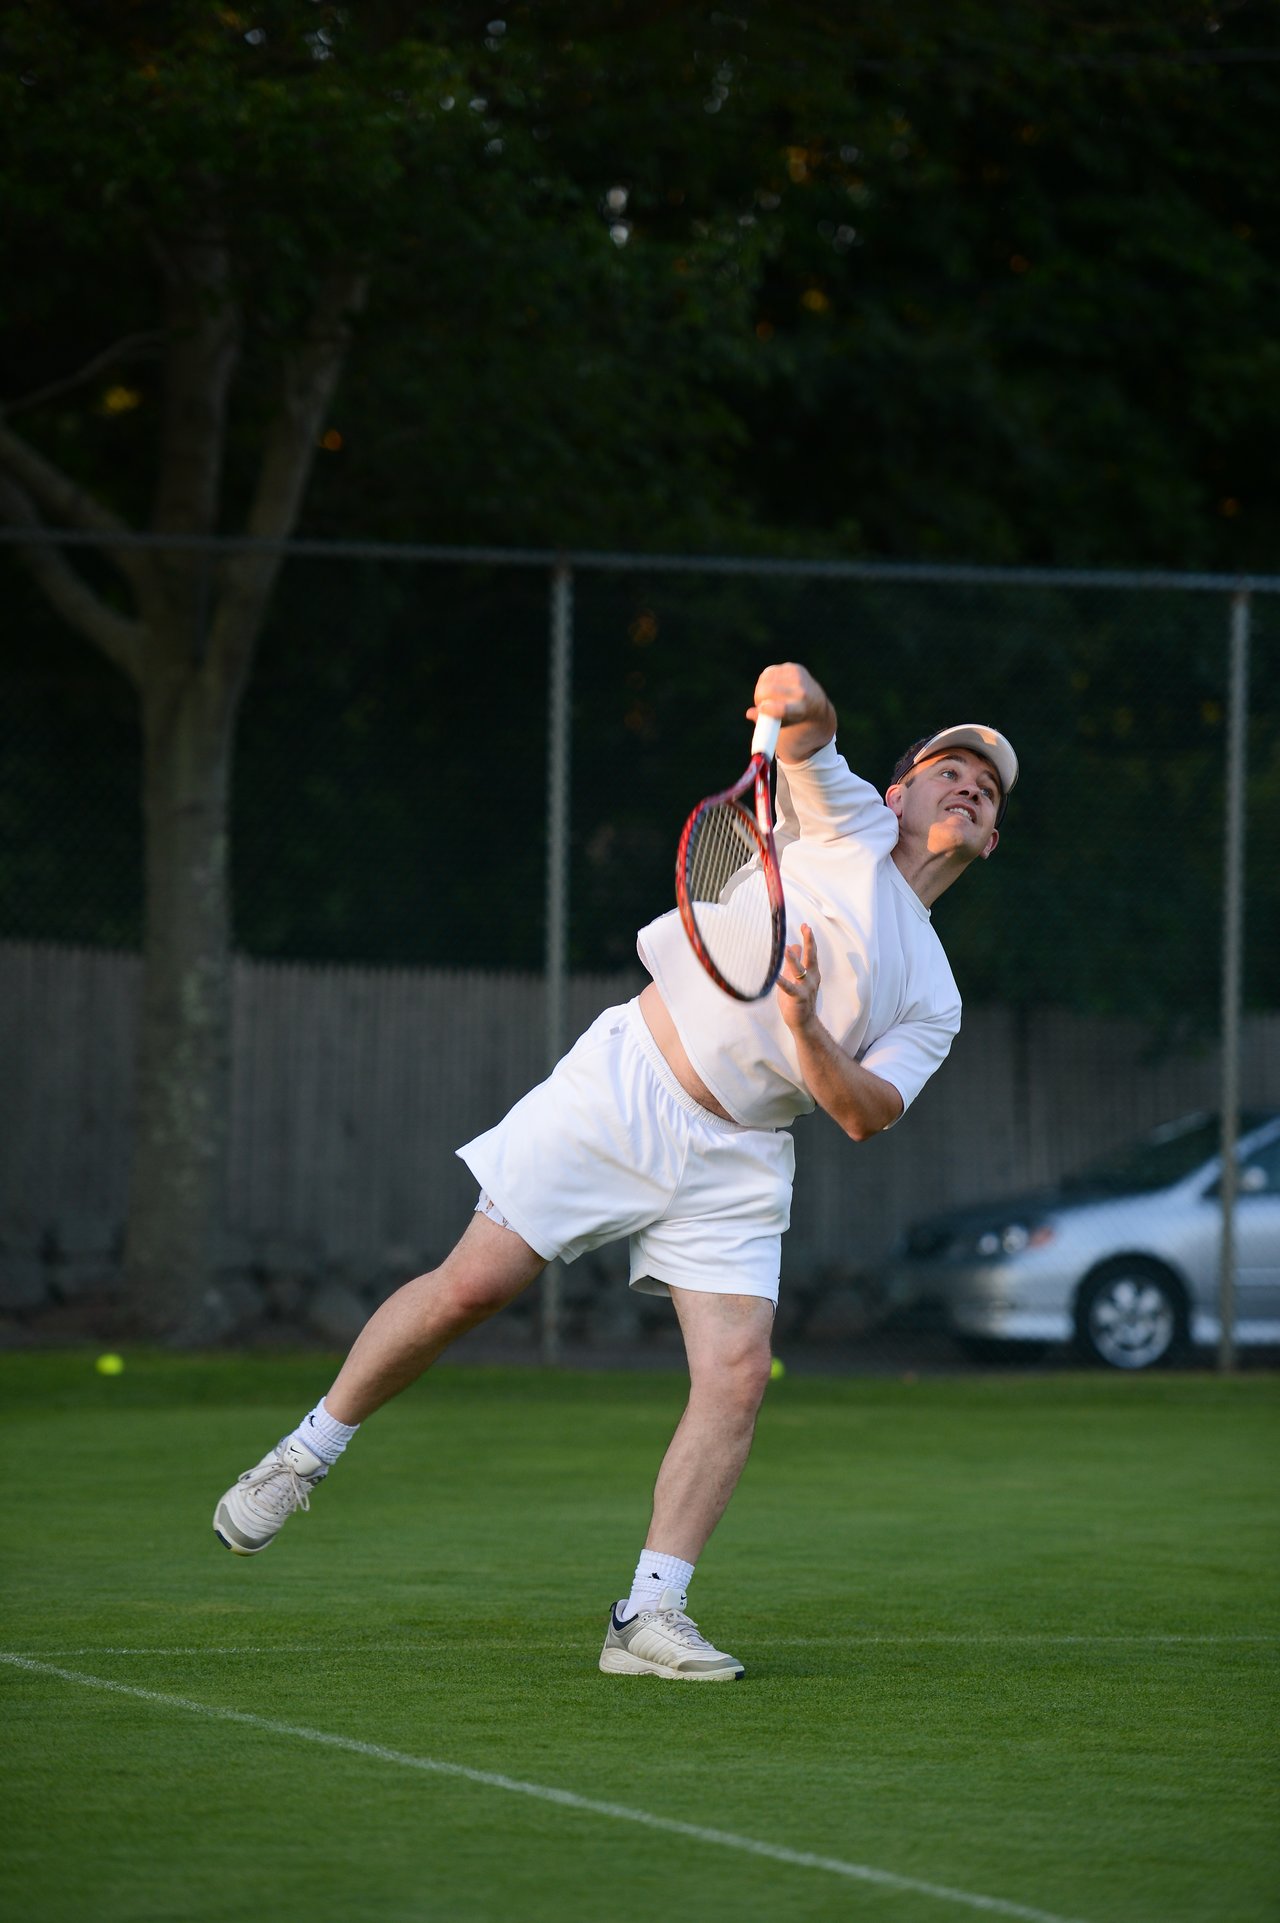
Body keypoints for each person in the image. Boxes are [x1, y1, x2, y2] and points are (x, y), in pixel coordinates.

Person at [213, 662, 1017, 1683]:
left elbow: (861, 1112)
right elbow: (800, 696)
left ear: (988, 840)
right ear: (897, 790)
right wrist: (786, 703)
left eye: (985, 790)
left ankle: (647, 1616)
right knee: (471, 1289)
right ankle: (304, 1453)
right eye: (948, 768)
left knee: (734, 1379)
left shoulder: (935, 995)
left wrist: (807, 1028)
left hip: (740, 1153)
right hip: (630, 1083)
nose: (966, 785)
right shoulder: (844, 818)